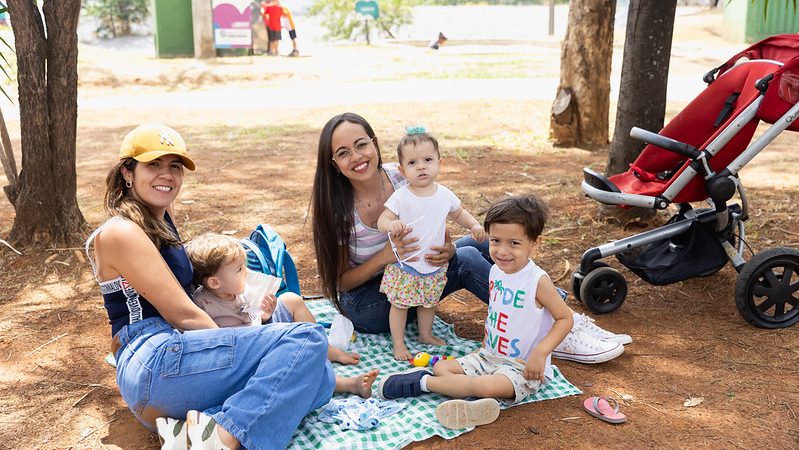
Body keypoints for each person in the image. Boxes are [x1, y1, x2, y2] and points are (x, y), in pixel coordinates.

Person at [86, 122, 336, 450]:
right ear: (127, 173)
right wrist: (249, 335)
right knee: (306, 339)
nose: (167, 175)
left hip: (179, 361)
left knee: (322, 380)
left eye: (174, 166)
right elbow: (185, 315)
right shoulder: (121, 231)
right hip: (154, 361)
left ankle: (196, 428)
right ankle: (223, 438)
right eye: (153, 165)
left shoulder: (160, 219)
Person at [310, 112, 630, 365]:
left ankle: (545, 302)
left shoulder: (401, 173)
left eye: (361, 144)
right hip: (369, 302)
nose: (356, 156)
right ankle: (555, 328)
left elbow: (441, 216)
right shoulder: (337, 210)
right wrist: (385, 256)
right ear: (334, 164)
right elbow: (342, 283)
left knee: (477, 245)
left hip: (414, 274)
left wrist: (447, 249)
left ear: (375, 143)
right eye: (343, 153)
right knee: (464, 263)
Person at [376, 195, 575, 429]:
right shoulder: (496, 272)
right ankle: (471, 402)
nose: (502, 251)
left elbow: (565, 318)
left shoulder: (537, 281)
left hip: (522, 367)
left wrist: (541, 353)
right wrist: (486, 340)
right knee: (443, 367)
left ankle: (422, 383)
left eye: (514, 243)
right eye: (496, 240)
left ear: (534, 243)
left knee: (486, 386)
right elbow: (499, 311)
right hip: (488, 355)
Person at [376, 126, 486, 360]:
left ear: (439, 163)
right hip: (407, 264)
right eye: (413, 163)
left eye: (427, 160)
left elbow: (459, 213)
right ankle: (398, 344)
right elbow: (382, 219)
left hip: (433, 264)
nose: (421, 166)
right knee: (400, 305)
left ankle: (425, 334)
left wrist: (474, 225)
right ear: (402, 169)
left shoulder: (444, 194)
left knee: (429, 302)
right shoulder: (401, 196)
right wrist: (390, 225)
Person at [186, 232, 361, 365]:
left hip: (262, 331)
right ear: (215, 282)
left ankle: (326, 349)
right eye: (239, 269)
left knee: (291, 299)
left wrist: (265, 315)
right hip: (248, 352)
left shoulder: (239, 290)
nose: (247, 272)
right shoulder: (202, 305)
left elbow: (252, 316)